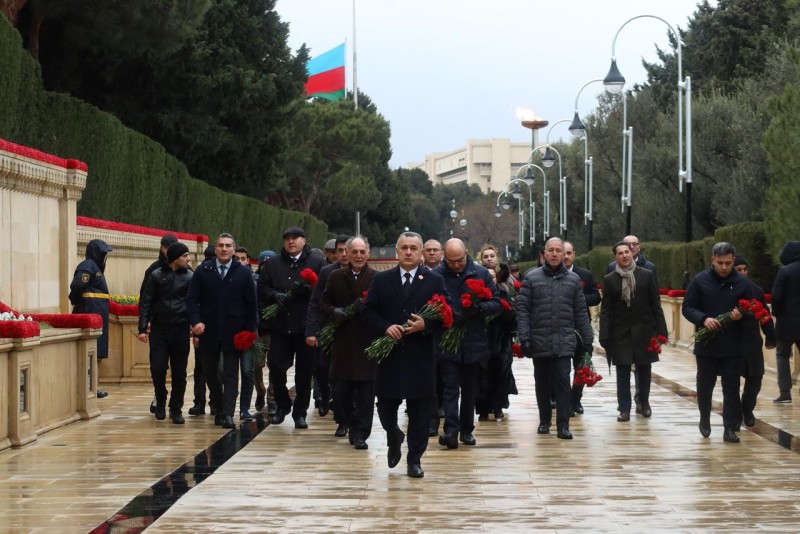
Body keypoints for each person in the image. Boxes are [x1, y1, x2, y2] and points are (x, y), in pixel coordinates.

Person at [361, 231, 448, 478]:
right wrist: (385, 327)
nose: (408, 252)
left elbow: (446, 314)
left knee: (420, 410)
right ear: (397, 251)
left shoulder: (434, 280)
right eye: (404, 248)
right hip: (390, 355)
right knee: (385, 404)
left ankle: (414, 460)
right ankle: (393, 434)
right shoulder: (382, 279)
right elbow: (367, 312)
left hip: (420, 355)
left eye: (413, 248)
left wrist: (425, 325)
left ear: (421, 253)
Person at [516, 237, 593, 440]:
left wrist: (587, 339)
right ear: (544, 253)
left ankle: (563, 425)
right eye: (551, 250)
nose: (555, 254)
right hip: (539, 339)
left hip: (564, 340)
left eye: (559, 250)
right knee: (542, 383)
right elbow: (523, 310)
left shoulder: (573, 280)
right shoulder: (531, 278)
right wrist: (524, 338)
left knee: (562, 383)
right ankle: (544, 420)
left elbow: (580, 311)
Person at [682, 242, 756, 443]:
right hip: (707, 345)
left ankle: (729, 427)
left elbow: (754, 310)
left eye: (728, 263)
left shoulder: (742, 284)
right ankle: (704, 416)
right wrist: (703, 319)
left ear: (733, 260)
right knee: (705, 385)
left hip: (733, 345)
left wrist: (742, 315)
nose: (724, 267)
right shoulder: (700, 281)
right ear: (713, 259)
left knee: (731, 388)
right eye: (720, 263)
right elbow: (687, 307)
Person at [186, 233, 258, 429]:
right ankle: (218, 405)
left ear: (233, 249)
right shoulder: (203, 270)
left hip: (234, 332)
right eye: (220, 245)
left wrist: (249, 331)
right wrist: (195, 321)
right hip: (208, 330)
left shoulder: (243, 273)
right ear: (215, 248)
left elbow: (251, 304)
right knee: (209, 372)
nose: (224, 249)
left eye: (228, 245)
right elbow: (191, 299)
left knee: (230, 374)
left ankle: (227, 413)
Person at [434, 239, 500, 449]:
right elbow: (429, 304)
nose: (456, 265)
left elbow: (496, 302)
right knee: (450, 387)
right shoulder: (436, 275)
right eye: (451, 261)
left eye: (459, 260)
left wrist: (477, 309)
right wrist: (449, 313)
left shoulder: (480, 273)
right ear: (444, 257)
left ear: (466, 254)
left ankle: (466, 430)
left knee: (470, 389)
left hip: (473, 340)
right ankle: (451, 431)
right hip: (447, 340)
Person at [258, 227, 326, 428]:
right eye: (287, 238)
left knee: (304, 373)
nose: (291, 242)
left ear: (304, 240)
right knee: (276, 366)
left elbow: (325, 292)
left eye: (295, 238)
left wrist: (309, 289)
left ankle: (300, 413)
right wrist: (274, 295)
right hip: (281, 326)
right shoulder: (273, 264)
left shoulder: (317, 262)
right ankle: (283, 404)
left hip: (305, 327)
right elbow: (261, 287)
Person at [600, 241, 667, 422]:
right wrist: (604, 334)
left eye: (627, 252)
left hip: (644, 331)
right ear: (615, 257)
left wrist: (662, 331)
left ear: (632, 253)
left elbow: (655, 304)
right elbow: (606, 310)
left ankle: (644, 403)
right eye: (620, 253)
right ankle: (624, 409)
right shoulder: (610, 279)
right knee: (622, 371)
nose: (624, 255)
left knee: (644, 369)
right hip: (620, 332)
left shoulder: (646, 275)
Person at [320, 236, 377, 450]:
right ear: (347, 254)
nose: (358, 256)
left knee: (365, 393)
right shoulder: (335, 276)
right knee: (341, 390)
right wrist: (334, 311)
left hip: (367, 342)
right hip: (342, 342)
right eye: (354, 252)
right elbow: (323, 303)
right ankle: (349, 422)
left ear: (368, 254)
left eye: (362, 252)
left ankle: (361, 432)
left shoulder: (376, 278)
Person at [137, 242, 193, 424]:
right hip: (160, 330)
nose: (188, 259)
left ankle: (176, 408)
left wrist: (195, 325)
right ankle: (160, 397)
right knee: (158, 368)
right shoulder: (156, 275)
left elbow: (195, 303)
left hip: (181, 329)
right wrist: (142, 328)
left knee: (179, 373)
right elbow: (146, 302)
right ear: (175, 258)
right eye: (185, 256)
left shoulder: (190, 277)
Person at [733, 256, 775, 425]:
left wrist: (770, 336)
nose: (743, 272)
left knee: (756, 377)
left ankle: (747, 408)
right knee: (732, 380)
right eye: (739, 269)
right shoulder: (726, 289)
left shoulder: (756, 290)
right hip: (733, 342)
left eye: (745, 269)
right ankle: (734, 414)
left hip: (752, 342)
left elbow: (765, 315)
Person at [69, 239, 113, 398]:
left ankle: (93, 386)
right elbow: (77, 286)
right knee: (89, 353)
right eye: (102, 253)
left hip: (98, 315)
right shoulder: (88, 265)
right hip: (89, 312)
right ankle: (88, 387)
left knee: (97, 353)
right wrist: (75, 300)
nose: (104, 257)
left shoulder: (95, 267)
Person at [476, 261, 518, 421]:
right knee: (481, 375)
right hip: (481, 342)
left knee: (500, 373)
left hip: (500, 342)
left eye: (493, 277)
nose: (491, 279)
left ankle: (498, 406)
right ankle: (482, 409)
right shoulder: (476, 296)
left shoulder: (503, 294)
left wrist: (507, 312)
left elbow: (512, 319)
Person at [563, 241, 601, 416]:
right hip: (561, 327)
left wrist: (579, 299)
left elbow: (596, 297)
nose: (566, 256)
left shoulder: (584, 275)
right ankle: (562, 400)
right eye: (563, 253)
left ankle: (575, 400)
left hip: (580, 326)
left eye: (569, 253)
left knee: (581, 365)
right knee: (561, 368)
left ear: (574, 254)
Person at [188, 245, 215, 416]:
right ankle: (213, 402)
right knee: (210, 369)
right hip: (206, 329)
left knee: (202, 368)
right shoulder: (202, 274)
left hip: (202, 329)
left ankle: (201, 402)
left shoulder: (199, 273)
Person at [771, 241, 800, 404]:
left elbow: (776, 296)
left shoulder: (785, 271)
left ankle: (785, 393)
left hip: (786, 322)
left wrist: (776, 313)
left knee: (782, 355)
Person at [254, 250, 276, 414]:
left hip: (275, 331)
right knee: (256, 366)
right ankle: (260, 391)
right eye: (264, 264)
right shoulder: (252, 282)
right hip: (258, 332)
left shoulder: (279, 282)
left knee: (275, 366)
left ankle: (272, 398)